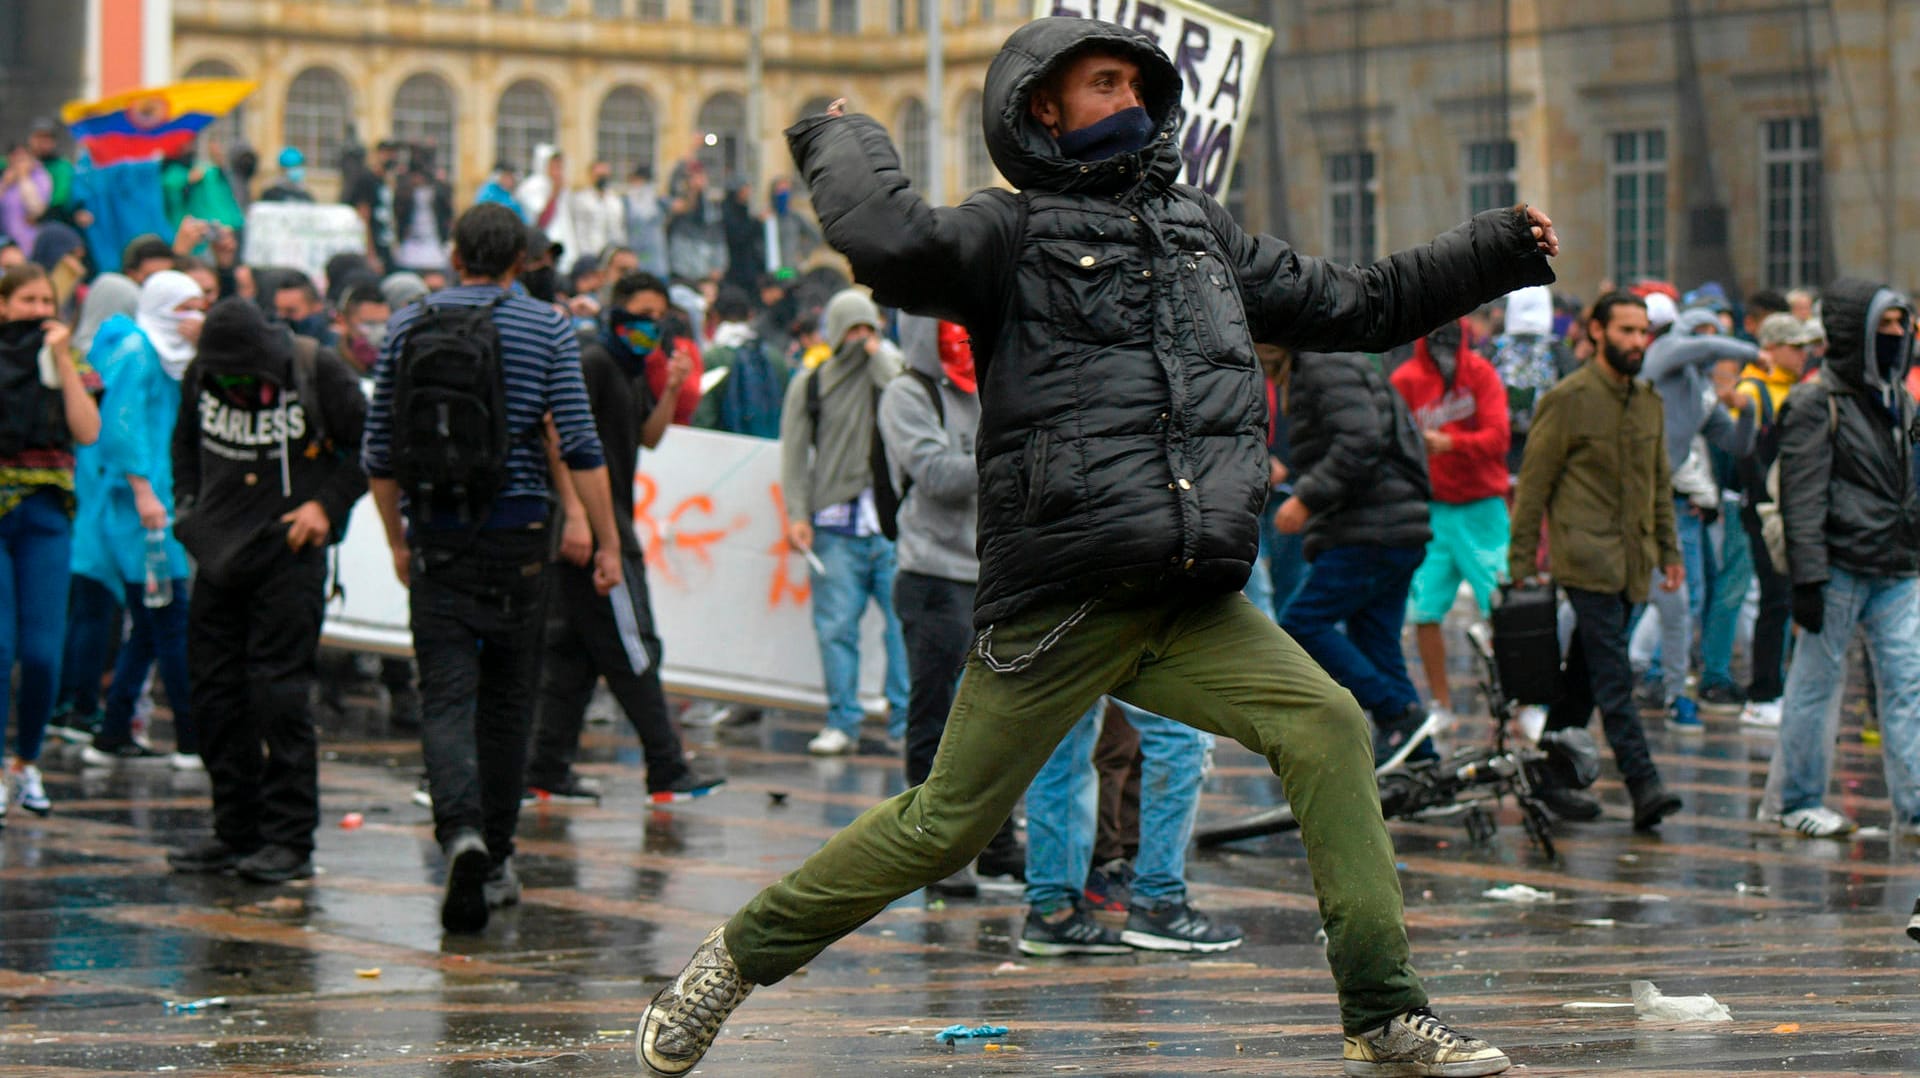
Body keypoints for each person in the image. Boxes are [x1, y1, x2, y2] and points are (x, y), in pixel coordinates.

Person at [633, 19, 1556, 1078]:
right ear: (1041, 107)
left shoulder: (1200, 231)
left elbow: (1361, 302)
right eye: (1101, 81)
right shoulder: (1009, 233)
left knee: (1331, 727)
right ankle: (732, 959)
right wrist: (838, 135)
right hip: (1063, 601)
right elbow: (888, 244)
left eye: (1133, 81)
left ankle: (1384, 1014)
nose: (1126, 96)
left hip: (1192, 595)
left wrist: (1498, 249)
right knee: (943, 824)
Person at [362, 202, 625, 934]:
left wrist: (397, 542)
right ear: (520, 263)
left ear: (453, 254)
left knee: (445, 693)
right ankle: (501, 854)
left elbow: (379, 452)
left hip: (438, 535)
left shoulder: (406, 324)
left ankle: (461, 833)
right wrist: (605, 543)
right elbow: (580, 443)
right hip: (520, 540)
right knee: (510, 698)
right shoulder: (545, 326)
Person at [165, 298, 367, 882]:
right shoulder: (199, 377)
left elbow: (372, 444)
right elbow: (183, 448)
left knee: (279, 697)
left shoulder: (315, 368)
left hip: (289, 555)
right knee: (215, 697)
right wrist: (189, 509)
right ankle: (235, 829)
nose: (236, 388)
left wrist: (324, 507)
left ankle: (288, 838)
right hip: (218, 555)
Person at [524, 270, 724, 810]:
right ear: (617, 312)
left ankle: (544, 769)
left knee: (576, 655)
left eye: (660, 317)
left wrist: (675, 387)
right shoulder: (592, 362)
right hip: (598, 531)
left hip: (603, 527)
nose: (650, 327)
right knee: (635, 648)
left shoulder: (629, 368)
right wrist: (577, 515)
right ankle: (667, 767)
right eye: (642, 314)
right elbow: (555, 430)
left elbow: (647, 437)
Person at [1510, 291, 1684, 830]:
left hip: (1632, 563)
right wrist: (1521, 564)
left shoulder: (1648, 400)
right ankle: (1644, 785)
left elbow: (1658, 486)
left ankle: (1547, 776)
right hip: (1585, 560)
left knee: (1583, 678)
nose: (1637, 341)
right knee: (1614, 680)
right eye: (1626, 330)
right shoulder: (1568, 398)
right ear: (1598, 331)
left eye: (1642, 332)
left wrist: (1669, 551)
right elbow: (1533, 486)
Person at [1760, 279, 1920, 838]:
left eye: (1904, 324)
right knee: (1814, 687)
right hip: (1838, 568)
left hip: (1897, 567)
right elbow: (1801, 495)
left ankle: (1916, 804)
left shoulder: (1902, 400)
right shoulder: (1813, 401)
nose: (1899, 336)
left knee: (1908, 685)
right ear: (1858, 332)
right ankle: (1795, 800)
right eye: (1888, 325)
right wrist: (1808, 577)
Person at [877, 314, 1022, 894]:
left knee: (999, 720)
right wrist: (1013, 454)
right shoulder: (907, 394)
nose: (961, 338)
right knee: (935, 720)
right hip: (933, 576)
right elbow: (936, 474)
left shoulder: (992, 385)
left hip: (994, 575)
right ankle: (932, 852)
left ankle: (998, 845)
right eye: (948, 329)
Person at [74, 270, 207, 766]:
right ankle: (192, 738)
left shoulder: (169, 359)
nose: (195, 319)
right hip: (144, 511)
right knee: (170, 618)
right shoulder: (139, 354)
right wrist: (144, 491)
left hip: (157, 503)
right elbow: (120, 427)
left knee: (151, 625)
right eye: (186, 308)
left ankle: (112, 733)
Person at [1277, 349, 1436, 761]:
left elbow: (1360, 438)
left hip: (1369, 528)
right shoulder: (1325, 363)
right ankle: (1422, 763)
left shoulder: (1320, 364)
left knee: (1302, 623)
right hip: (1390, 525)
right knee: (1378, 644)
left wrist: (1306, 499)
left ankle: (1398, 713)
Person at [777, 288, 910, 756]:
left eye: (868, 329)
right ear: (835, 333)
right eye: (852, 330)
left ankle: (905, 724)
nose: (861, 339)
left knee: (903, 630)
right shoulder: (810, 384)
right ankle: (842, 722)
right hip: (834, 527)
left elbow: (904, 392)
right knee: (835, 630)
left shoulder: (887, 374)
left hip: (891, 528)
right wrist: (797, 515)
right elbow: (793, 456)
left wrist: (880, 355)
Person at [0, 265, 101, 820]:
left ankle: (26, 763)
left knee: (42, 654)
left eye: (47, 300)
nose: (39, 309)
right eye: (26, 300)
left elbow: (87, 431)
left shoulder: (67, 360)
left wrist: (61, 361)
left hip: (47, 515)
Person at [1632, 307, 1757, 725]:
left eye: (1713, 332)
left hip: (1666, 504)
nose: (1706, 341)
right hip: (1626, 493)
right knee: (1598, 594)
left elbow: (1738, 444)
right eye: (1700, 331)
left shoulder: (1701, 389)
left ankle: (1668, 692)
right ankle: (1582, 676)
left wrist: (1748, 408)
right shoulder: (1665, 355)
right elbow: (1702, 345)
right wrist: (1755, 354)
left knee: (1681, 598)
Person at [1390, 318, 1511, 725]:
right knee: (1424, 610)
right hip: (1435, 510)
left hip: (1482, 507)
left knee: (1501, 606)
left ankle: (1515, 701)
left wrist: (1453, 443)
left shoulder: (1480, 373)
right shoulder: (1406, 379)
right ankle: (1440, 705)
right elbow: (1393, 441)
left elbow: (1500, 437)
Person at [1723, 316, 1814, 728]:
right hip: (1764, 508)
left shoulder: (1803, 390)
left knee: (1792, 599)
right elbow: (1744, 454)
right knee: (1774, 599)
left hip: (1796, 506)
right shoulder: (1753, 391)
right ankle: (1764, 691)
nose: (1803, 353)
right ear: (1772, 348)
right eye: (1795, 346)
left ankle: (1783, 686)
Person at [690, 284, 786, 437]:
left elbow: (704, 419)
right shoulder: (775, 358)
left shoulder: (711, 357)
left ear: (714, 316)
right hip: (769, 450)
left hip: (725, 452)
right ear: (750, 315)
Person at [516, 146, 577, 264]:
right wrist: (554, 192)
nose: (558, 171)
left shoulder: (562, 188)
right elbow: (541, 220)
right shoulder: (532, 186)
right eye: (554, 166)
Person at [393, 155, 454, 274]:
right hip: (412, 245)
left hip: (433, 243)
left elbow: (447, 214)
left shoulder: (437, 192)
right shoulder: (405, 193)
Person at [347, 140, 400, 272]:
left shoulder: (387, 181)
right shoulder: (366, 179)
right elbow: (364, 216)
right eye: (387, 153)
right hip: (374, 247)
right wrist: (371, 255)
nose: (390, 157)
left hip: (386, 244)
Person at [571, 161, 627, 269]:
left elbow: (619, 230)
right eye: (599, 176)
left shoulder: (615, 201)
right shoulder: (582, 200)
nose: (602, 179)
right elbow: (580, 232)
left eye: (605, 176)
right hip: (590, 257)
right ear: (591, 176)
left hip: (612, 257)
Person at [1, 144, 50, 253]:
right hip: (6, 241)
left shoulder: (40, 177)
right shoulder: (6, 177)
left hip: (29, 240)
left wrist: (23, 177)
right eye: (16, 158)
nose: (19, 164)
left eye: (23, 159)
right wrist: (5, 184)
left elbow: (36, 209)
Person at [624, 166, 668, 277]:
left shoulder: (658, 202)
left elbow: (680, 207)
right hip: (634, 260)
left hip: (656, 263)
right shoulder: (626, 202)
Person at [273, 276, 337, 348]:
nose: (281, 316)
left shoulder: (337, 347)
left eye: (290, 311)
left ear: (316, 307)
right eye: (277, 310)